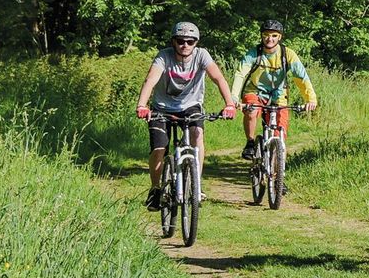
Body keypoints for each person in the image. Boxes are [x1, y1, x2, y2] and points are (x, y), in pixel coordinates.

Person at [134, 20, 237, 210]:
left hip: (191, 106)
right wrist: (142, 105)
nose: (185, 45)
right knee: (159, 148)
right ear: (173, 41)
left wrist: (229, 104)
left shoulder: (202, 55)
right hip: (162, 108)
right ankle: (156, 189)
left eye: (190, 41)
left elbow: (218, 78)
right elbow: (151, 79)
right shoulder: (163, 57)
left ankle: (196, 185)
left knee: (197, 134)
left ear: (196, 42)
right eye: (181, 40)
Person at [233, 18, 319, 160]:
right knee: (252, 110)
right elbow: (240, 74)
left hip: (278, 93)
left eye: (274, 35)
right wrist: (234, 97)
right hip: (255, 90)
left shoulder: (288, 54)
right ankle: (250, 142)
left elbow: (301, 77)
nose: (270, 39)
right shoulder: (254, 53)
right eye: (266, 35)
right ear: (261, 35)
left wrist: (311, 99)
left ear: (280, 37)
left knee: (280, 133)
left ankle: (277, 176)